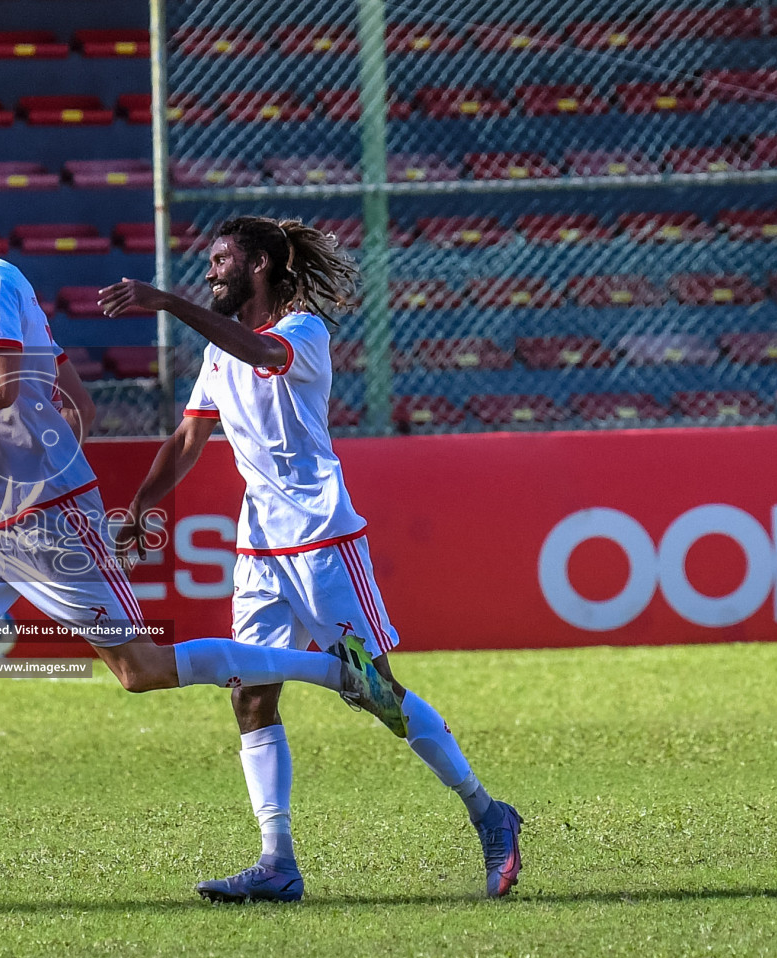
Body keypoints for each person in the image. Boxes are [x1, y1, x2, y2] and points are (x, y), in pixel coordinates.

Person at [0, 175, 402, 891]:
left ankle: (334, 670)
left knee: (140, 671)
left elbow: (1, 386)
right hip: (0, 516)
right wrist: (41, 453)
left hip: (47, 519)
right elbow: (76, 402)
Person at [98, 216, 523, 901]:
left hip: (323, 540)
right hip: (259, 547)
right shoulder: (218, 346)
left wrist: (171, 304)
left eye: (220, 261)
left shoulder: (302, 332)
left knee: (378, 695)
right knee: (251, 697)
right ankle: (277, 861)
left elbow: (261, 354)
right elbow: (188, 437)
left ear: (259, 263)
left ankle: (490, 813)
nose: (209, 273)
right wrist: (144, 502)